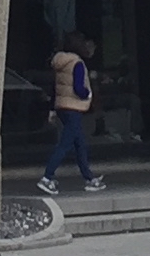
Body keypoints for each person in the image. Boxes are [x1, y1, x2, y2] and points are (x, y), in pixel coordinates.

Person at [36, 37, 108, 197]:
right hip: (74, 108)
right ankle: (47, 177)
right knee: (65, 144)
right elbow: (78, 88)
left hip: (62, 107)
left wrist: (52, 109)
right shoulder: (77, 63)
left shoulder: (60, 63)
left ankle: (89, 177)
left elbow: (56, 88)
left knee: (79, 143)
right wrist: (88, 94)